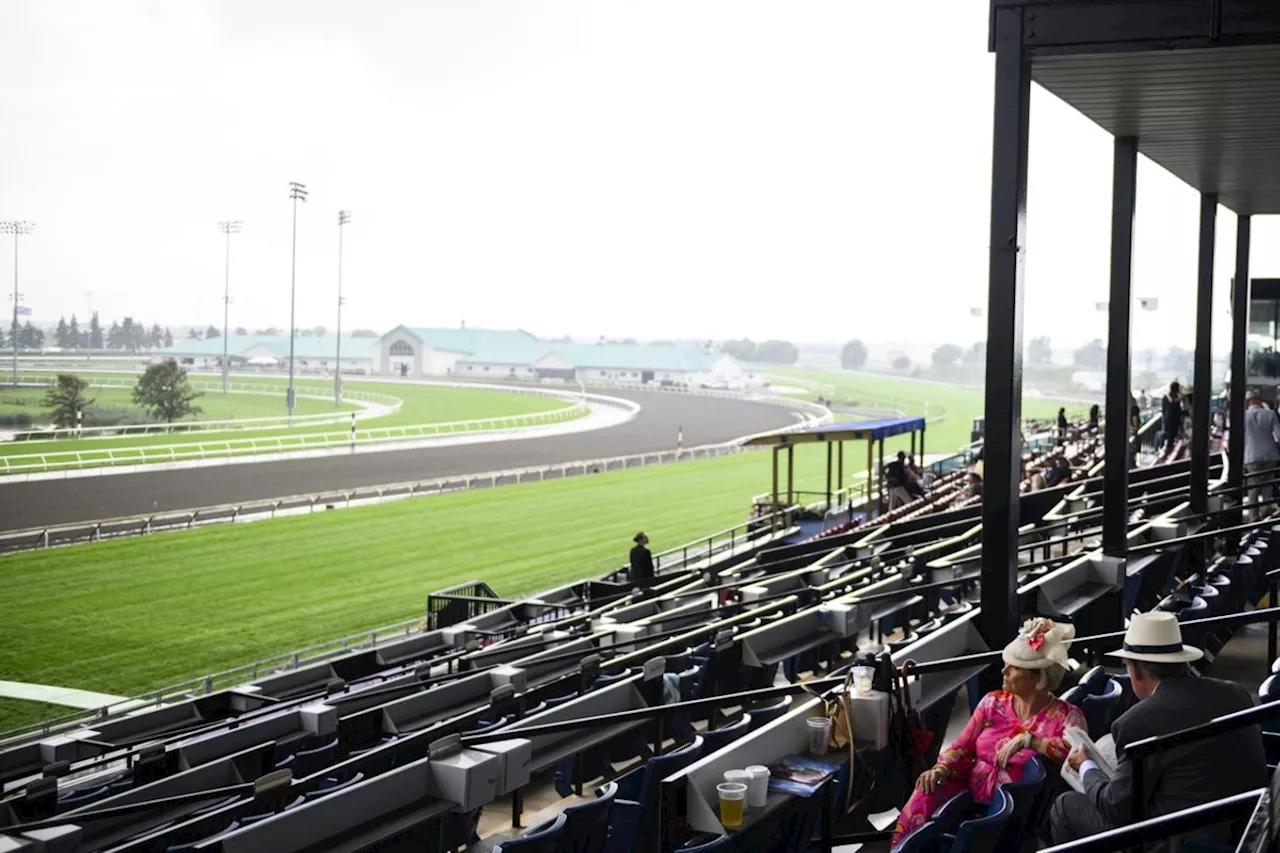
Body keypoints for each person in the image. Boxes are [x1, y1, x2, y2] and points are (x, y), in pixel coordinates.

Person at [1050, 612, 1265, 852]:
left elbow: (1116, 808)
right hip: (1249, 827)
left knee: (1065, 807)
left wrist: (1086, 767)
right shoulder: (1236, 693)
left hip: (1180, 842)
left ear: (1137, 672)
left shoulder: (1136, 723)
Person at [891, 619, 1085, 846]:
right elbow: (962, 747)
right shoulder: (992, 702)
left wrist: (1031, 741)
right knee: (925, 791)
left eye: (1014, 667)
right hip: (970, 794)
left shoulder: (1067, 716)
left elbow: (1078, 757)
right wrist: (940, 768)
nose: (1004, 671)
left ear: (1038, 678)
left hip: (1009, 816)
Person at [1243, 388, 1280, 518]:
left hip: (1251, 456)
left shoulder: (1243, 417)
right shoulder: (1270, 414)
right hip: (1271, 455)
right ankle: (1266, 516)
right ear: (1259, 400)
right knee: (1268, 486)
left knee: (1253, 488)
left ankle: (1253, 518)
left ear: (1248, 401)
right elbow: (1279, 436)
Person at [1160, 382, 1182, 451]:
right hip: (1174, 420)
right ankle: (1169, 449)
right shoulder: (1176, 398)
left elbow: (1163, 409)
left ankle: (1166, 449)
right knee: (1172, 436)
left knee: (1168, 435)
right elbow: (1177, 407)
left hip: (1167, 419)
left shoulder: (1166, 397)